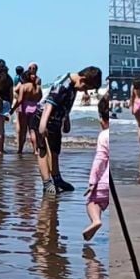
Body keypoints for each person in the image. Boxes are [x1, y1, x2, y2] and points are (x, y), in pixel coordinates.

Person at [37, 66, 103, 195]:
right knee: (43, 150)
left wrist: (66, 119)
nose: (84, 91)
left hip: (56, 120)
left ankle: (57, 179)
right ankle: (46, 182)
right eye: (85, 88)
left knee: (55, 151)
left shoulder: (73, 86)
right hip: (43, 118)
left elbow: (66, 104)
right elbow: (50, 103)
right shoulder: (64, 84)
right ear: (82, 79)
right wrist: (43, 124)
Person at [84, 95, 111, 240]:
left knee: (93, 202)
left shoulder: (104, 135)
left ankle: (96, 221)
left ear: (101, 118)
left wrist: (92, 181)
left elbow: (100, 160)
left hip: (105, 181)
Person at [12, 68, 43, 154]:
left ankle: (20, 149)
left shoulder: (23, 86)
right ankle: (35, 150)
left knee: (23, 130)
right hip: (35, 107)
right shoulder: (38, 87)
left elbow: (20, 99)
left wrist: (13, 109)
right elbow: (40, 97)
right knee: (33, 130)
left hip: (25, 108)